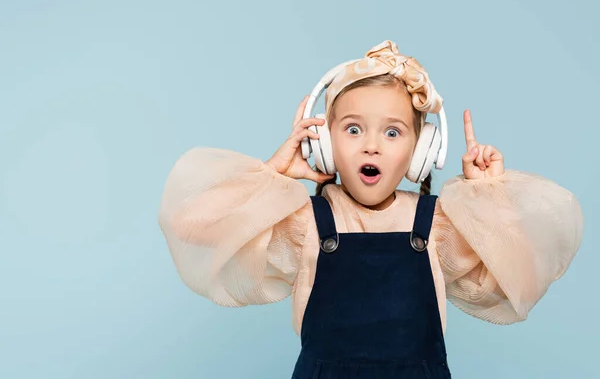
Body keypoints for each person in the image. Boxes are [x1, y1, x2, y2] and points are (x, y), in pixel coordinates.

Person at [157, 40, 583, 378]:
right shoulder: (305, 223)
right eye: (353, 128)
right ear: (323, 142)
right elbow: (191, 226)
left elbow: (521, 280)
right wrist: (272, 175)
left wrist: (491, 198)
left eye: (393, 132)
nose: (371, 145)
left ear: (421, 153)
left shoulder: (437, 226)